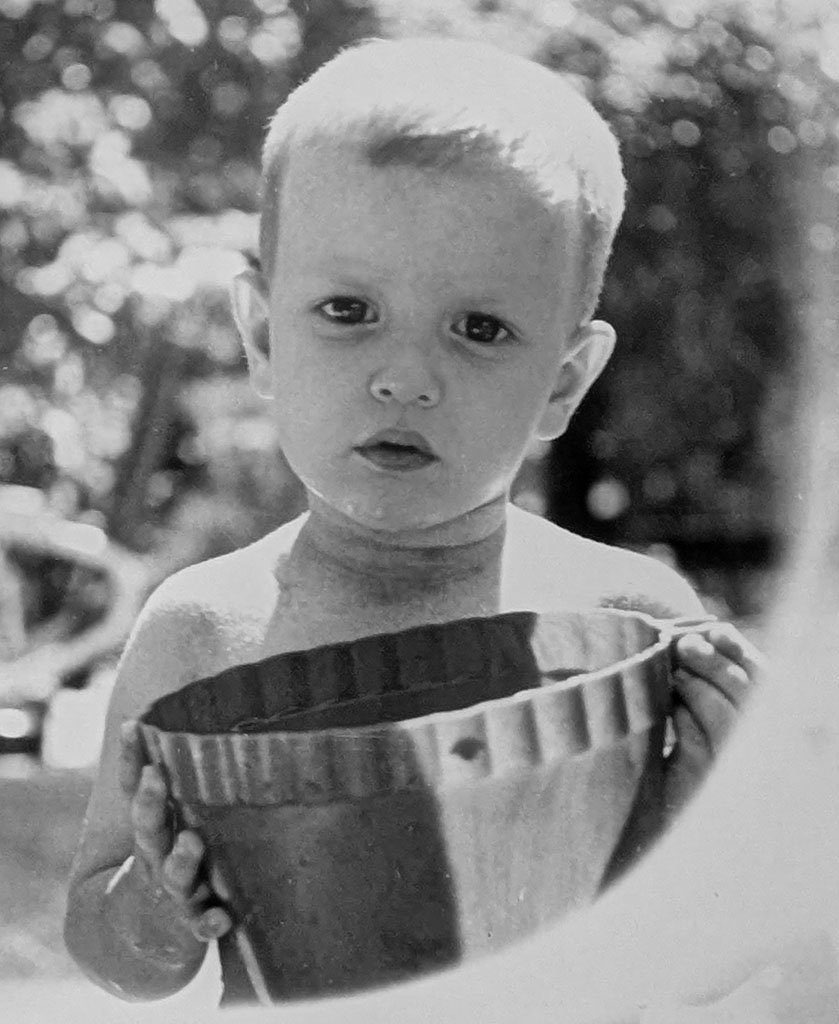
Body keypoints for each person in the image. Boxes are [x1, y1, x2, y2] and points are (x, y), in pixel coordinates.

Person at [63, 37, 763, 1006]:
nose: (403, 375)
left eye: (477, 329)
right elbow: (111, 951)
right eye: (348, 309)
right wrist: (156, 902)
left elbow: (705, 970)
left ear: (561, 383)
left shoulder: (629, 627)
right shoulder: (202, 628)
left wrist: (716, 821)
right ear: (263, 338)